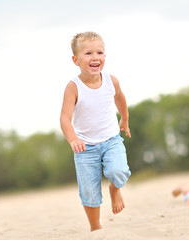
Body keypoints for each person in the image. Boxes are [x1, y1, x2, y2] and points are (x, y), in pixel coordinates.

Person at [60, 31, 131, 231]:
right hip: (84, 147)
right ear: (76, 60)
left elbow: (120, 99)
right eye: (88, 53)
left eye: (99, 52)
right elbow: (64, 118)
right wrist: (72, 139)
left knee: (118, 170)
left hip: (111, 140)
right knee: (89, 191)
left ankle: (115, 189)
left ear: (105, 56)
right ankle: (96, 228)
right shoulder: (73, 87)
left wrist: (124, 119)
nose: (95, 58)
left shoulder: (111, 81)